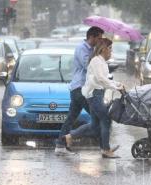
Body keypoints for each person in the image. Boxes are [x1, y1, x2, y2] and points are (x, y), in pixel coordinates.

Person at [63, 38, 123, 158]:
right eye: (110, 48)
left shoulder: (101, 62)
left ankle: (70, 136)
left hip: (97, 94)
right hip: (94, 95)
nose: (111, 52)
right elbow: (100, 79)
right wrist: (116, 87)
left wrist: (116, 84)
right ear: (104, 49)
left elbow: (105, 80)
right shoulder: (96, 61)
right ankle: (106, 149)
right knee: (106, 119)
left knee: (94, 125)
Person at [55, 26, 104, 155]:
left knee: (71, 118)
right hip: (81, 89)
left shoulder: (92, 49)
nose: (100, 41)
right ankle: (104, 146)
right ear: (91, 37)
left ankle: (60, 145)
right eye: (99, 38)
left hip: (79, 89)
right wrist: (99, 53)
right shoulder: (82, 48)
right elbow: (88, 66)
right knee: (99, 117)